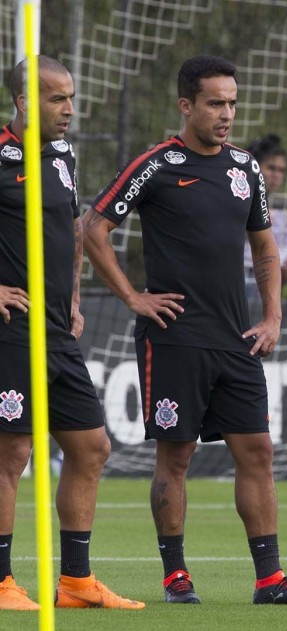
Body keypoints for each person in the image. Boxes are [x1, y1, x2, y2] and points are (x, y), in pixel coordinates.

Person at [82, 55, 287, 607]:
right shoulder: (155, 164)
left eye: (232, 103)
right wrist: (132, 296)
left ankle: (270, 579)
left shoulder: (246, 169)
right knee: (176, 458)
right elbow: (94, 228)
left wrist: (272, 317)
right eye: (215, 103)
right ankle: (175, 576)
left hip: (235, 338)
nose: (227, 114)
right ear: (186, 105)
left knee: (258, 451)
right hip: (174, 337)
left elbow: (265, 247)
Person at [0, 56, 144, 611]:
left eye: (71, 98)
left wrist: (77, 297)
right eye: (57, 98)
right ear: (23, 101)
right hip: (12, 330)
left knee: (91, 447)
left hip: (58, 331)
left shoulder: (62, 156)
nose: (69, 110)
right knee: (12, 452)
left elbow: (74, 230)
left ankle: (77, 583)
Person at [244, 134, 287, 303]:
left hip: (264, 295)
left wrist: (286, 272)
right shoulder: (236, 204)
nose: (276, 175)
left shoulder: (282, 217)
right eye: (271, 168)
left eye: (281, 170)